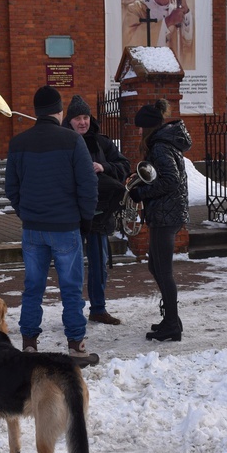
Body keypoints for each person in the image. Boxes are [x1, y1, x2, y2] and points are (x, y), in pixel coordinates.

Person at [5, 86, 100, 367]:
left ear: (36, 112)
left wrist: (27, 213)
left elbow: (12, 187)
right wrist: (84, 219)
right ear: (60, 111)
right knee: (71, 289)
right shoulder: (72, 140)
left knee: (32, 287)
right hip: (66, 227)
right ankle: (76, 347)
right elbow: (87, 185)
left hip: (33, 228)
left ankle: (29, 346)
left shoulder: (18, 142)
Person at [62, 95, 130, 326]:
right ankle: (73, 311)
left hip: (100, 216)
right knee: (71, 266)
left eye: (85, 117)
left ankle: (98, 309)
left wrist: (105, 166)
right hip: (72, 215)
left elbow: (124, 165)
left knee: (99, 265)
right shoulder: (63, 141)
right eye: (77, 118)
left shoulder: (101, 143)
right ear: (69, 121)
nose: (82, 122)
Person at [129, 98, 191, 341]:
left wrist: (140, 193)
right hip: (166, 213)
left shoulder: (160, 147)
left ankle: (172, 325)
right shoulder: (165, 142)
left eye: (141, 129)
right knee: (155, 266)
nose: (140, 133)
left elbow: (170, 180)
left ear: (148, 128)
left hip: (166, 215)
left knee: (163, 270)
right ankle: (171, 319)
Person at [122, 0, 195, 71]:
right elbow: (129, 42)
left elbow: (188, 44)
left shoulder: (176, 11)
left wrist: (186, 9)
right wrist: (168, 21)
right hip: (146, 73)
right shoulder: (136, 9)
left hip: (171, 72)